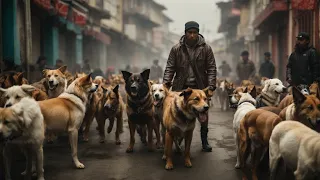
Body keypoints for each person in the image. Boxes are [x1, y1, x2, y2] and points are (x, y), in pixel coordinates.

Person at [163, 21, 217, 152]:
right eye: (189, 32)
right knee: (177, 113)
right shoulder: (176, 49)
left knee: (203, 113)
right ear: (185, 33)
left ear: (198, 33)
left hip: (199, 86)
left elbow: (211, 68)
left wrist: (210, 86)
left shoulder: (206, 48)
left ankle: (204, 140)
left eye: (195, 32)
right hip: (181, 86)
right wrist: (166, 84)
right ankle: (177, 138)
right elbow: (170, 67)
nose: (192, 35)